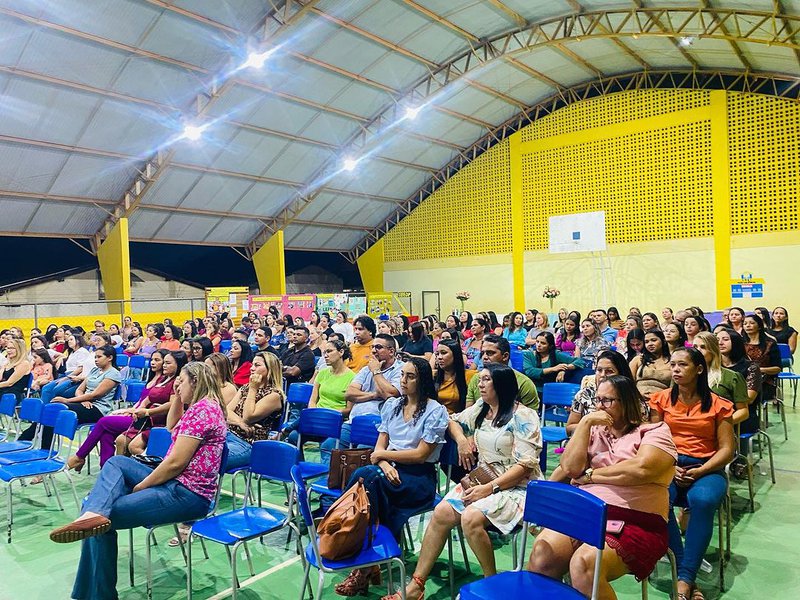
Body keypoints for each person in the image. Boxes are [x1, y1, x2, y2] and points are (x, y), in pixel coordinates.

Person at [49, 361, 227, 600]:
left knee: (103, 517)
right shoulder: (198, 407)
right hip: (175, 482)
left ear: (195, 382)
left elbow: (175, 464)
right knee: (116, 463)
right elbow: (172, 425)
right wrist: (176, 395)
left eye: (181, 382)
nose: (177, 385)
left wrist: (141, 486)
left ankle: (97, 593)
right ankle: (93, 516)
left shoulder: (204, 410)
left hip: (187, 493)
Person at [392, 363, 542, 600]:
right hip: (483, 479)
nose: (479, 384)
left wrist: (489, 488)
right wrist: (462, 439)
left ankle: (489, 584)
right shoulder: (483, 408)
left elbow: (525, 466)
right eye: (479, 379)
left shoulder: (524, 416)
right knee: (441, 512)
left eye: (485, 380)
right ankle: (416, 586)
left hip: (517, 487)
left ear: (501, 385)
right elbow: (452, 420)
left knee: (471, 518)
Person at [531, 376, 677, 597]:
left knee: (585, 564)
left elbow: (641, 470)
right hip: (586, 514)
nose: (599, 406)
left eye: (607, 400)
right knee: (542, 556)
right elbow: (570, 469)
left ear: (627, 402)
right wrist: (586, 423)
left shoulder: (654, 431)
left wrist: (590, 476)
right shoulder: (595, 431)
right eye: (598, 400)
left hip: (635, 521)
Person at [335, 358, 448, 597]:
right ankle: (369, 563)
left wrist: (383, 458)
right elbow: (379, 449)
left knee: (366, 478)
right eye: (402, 375)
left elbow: (420, 455)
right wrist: (385, 463)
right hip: (388, 470)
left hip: (418, 477)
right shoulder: (392, 405)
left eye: (410, 376)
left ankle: (364, 564)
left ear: (423, 380)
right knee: (369, 478)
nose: (403, 381)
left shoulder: (434, 410)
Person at [649, 348, 736, 600]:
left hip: (707, 466)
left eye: (682, 365)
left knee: (703, 500)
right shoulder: (661, 400)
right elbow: (652, 440)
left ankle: (684, 578)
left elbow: (727, 450)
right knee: (658, 498)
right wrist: (669, 466)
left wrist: (701, 470)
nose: (675, 369)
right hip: (669, 464)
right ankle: (685, 577)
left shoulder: (720, 405)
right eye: (673, 365)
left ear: (699, 369)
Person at [67, 350, 186, 470]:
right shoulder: (159, 380)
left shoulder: (174, 383)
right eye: (155, 360)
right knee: (106, 433)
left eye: (163, 361)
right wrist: (129, 410)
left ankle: (80, 456)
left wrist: (143, 412)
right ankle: (106, 469)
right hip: (140, 415)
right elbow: (145, 401)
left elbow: (171, 404)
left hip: (150, 420)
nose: (157, 364)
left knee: (104, 422)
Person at [320, 334, 403, 463]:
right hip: (353, 422)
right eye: (373, 347)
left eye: (379, 347)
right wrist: (374, 395)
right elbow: (350, 393)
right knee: (328, 446)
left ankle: (356, 482)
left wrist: (376, 372)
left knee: (361, 452)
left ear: (391, 351)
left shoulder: (400, 369)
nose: (374, 350)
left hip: (378, 425)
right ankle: (332, 481)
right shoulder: (366, 369)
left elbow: (390, 394)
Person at [21, 345, 121, 451]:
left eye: (99, 357)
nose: (96, 360)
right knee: (50, 409)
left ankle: (33, 444)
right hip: (85, 403)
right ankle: (39, 447)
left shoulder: (114, 374)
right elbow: (80, 390)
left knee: (54, 409)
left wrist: (67, 400)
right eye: (95, 357)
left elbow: (95, 395)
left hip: (98, 409)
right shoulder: (94, 371)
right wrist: (84, 399)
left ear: (110, 358)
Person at [225, 352, 285, 471]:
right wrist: (239, 423)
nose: (252, 368)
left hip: (248, 445)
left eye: (257, 365)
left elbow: (249, 417)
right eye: (252, 364)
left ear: (270, 369)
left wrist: (253, 389)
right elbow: (226, 412)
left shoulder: (275, 395)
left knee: (209, 458)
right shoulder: (245, 387)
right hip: (228, 435)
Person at [566, 350, 636, 435]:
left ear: (620, 373)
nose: (602, 375)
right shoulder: (584, 395)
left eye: (609, 371)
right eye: (599, 370)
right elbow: (569, 428)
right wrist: (589, 423)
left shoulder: (631, 397)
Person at [465, 334, 539, 410]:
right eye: (482, 353)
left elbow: (531, 418)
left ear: (505, 356)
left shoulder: (524, 383)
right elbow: (468, 413)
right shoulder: (476, 379)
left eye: (490, 353)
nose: (485, 357)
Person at [523, 332, 585, 396]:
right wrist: (553, 369)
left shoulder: (556, 355)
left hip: (550, 390)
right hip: (532, 389)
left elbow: (580, 361)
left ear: (550, 346)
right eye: (537, 342)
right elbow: (530, 372)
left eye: (543, 343)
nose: (538, 345)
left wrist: (564, 369)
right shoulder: (528, 354)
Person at [38, 334, 95, 403]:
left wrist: (67, 378)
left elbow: (80, 368)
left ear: (78, 341)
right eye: (68, 340)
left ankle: (50, 408)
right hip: (67, 374)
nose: (69, 342)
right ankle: (44, 408)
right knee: (46, 388)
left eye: (71, 340)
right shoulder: (72, 352)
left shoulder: (82, 351)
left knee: (56, 389)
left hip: (74, 375)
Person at [742, 313, 781, 405]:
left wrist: (759, 370)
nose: (748, 325)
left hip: (764, 382)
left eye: (751, 323)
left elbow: (777, 368)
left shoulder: (770, 344)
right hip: (742, 380)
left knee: (746, 396)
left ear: (759, 326)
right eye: (745, 323)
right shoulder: (740, 343)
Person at [432, 339, 475, 414]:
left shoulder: (470, 376)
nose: (439, 357)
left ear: (456, 355)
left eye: (443, 353)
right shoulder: (433, 376)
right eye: (437, 354)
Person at [630, 330, 672, 401]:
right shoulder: (638, 359)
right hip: (638, 399)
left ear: (663, 341)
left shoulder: (672, 361)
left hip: (663, 400)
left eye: (653, 340)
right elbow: (628, 383)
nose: (650, 344)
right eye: (646, 342)